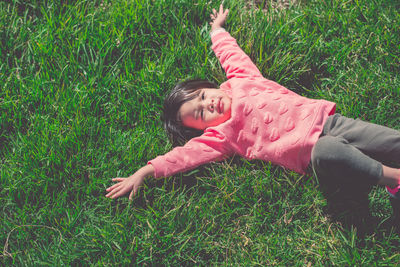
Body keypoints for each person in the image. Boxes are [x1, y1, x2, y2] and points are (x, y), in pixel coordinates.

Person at [105, 4, 400, 201]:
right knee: (329, 149)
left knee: (390, 141)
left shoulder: (241, 80)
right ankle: (393, 179)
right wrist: (144, 172)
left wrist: (217, 30)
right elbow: (182, 156)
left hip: (330, 122)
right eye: (201, 114)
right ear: (204, 129)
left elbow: (230, 55)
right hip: (315, 156)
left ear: (209, 87)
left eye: (203, 97)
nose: (208, 105)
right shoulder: (221, 137)